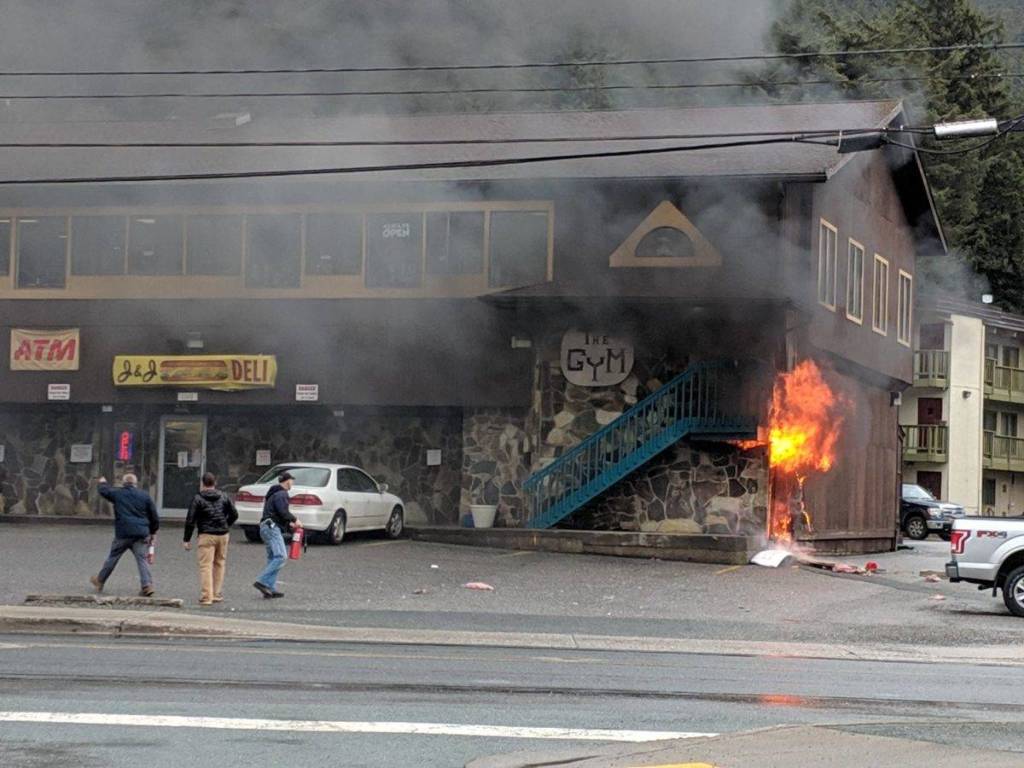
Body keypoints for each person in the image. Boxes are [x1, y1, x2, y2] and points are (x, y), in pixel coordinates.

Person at [91, 473, 160, 597]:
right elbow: (154, 516)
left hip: (123, 533)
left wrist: (102, 482)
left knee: (113, 557)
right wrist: (153, 532)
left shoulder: (118, 494)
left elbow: (104, 491)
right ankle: (147, 586)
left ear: (124, 483)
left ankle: (100, 581)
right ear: (135, 483)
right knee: (142, 560)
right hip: (140, 534)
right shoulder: (144, 496)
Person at [183, 472, 238, 606]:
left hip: (206, 534)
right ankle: (217, 593)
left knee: (206, 566)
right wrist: (226, 524)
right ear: (215, 483)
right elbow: (234, 514)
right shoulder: (224, 496)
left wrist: (187, 539)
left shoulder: (198, 498)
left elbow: (190, 520)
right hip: (223, 534)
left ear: (202, 483)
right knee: (220, 563)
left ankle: (207, 596)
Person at [254, 471, 302, 598]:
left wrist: (288, 524)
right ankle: (262, 581)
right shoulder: (282, 493)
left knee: (272, 558)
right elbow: (283, 511)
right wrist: (295, 520)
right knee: (281, 556)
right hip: (272, 527)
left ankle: (270, 588)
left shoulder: (273, 493)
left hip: (265, 526)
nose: (292, 483)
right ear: (287, 481)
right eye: (292, 480)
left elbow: (277, 513)